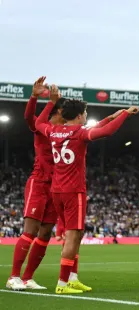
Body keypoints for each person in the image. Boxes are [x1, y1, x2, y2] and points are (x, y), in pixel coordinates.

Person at [35, 88, 138, 294]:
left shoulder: (54, 131)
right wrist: (126, 114)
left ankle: (72, 278)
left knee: (75, 235)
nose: (87, 117)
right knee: (74, 235)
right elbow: (105, 132)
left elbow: (38, 124)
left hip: (57, 190)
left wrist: (110, 116)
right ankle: (63, 284)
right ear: (80, 115)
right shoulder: (80, 133)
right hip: (74, 191)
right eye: (86, 114)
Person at [6, 77, 64, 291]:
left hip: (56, 187)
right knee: (30, 230)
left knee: (46, 233)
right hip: (39, 183)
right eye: (62, 112)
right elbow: (29, 117)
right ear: (55, 113)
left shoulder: (66, 133)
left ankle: (28, 277)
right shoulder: (43, 128)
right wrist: (37, 97)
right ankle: (13, 277)